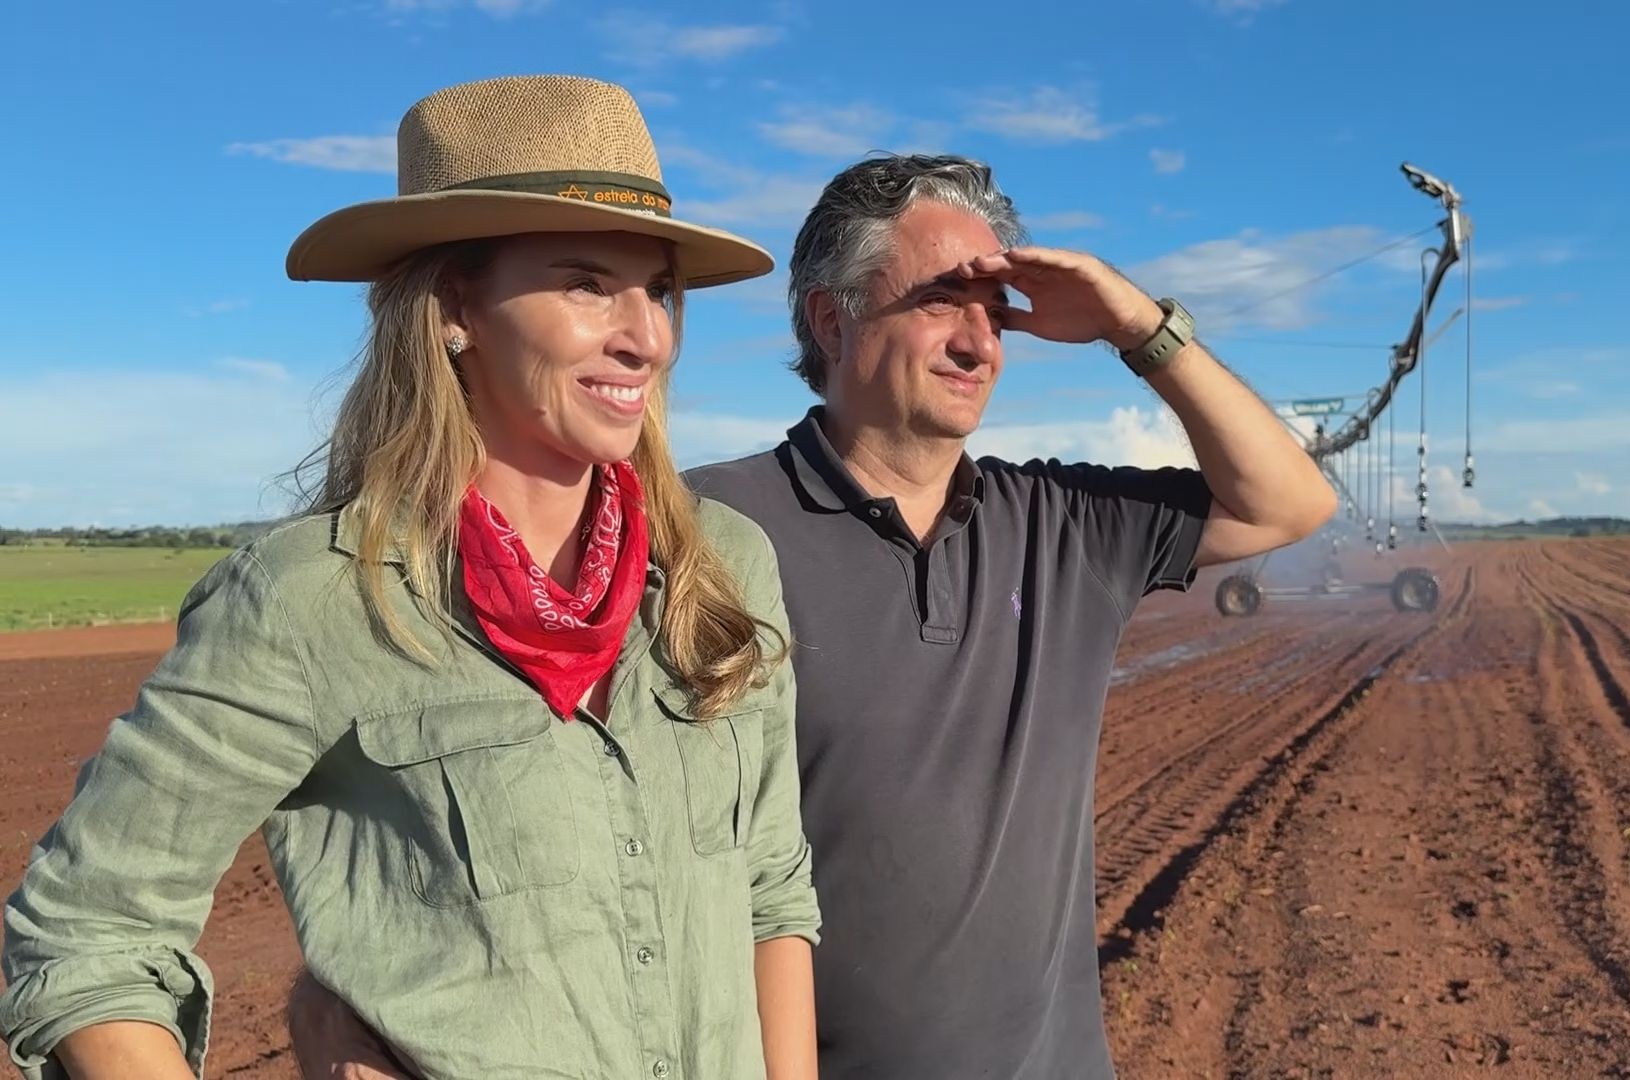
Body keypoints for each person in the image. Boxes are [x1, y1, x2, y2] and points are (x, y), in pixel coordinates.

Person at [293, 153, 1337, 1077]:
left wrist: (1136, 325)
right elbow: (482, 798)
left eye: (999, 309)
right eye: (943, 300)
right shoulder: (694, 530)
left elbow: (1290, 502)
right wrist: (338, 1005)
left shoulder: (1065, 524)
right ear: (831, 319)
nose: (980, 340)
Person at [0, 75, 819, 1080]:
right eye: (586, 282)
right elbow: (88, 930)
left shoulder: (721, 566)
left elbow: (772, 892)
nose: (644, 333)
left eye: (659, 288)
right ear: (452, 307)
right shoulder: (313, 598)